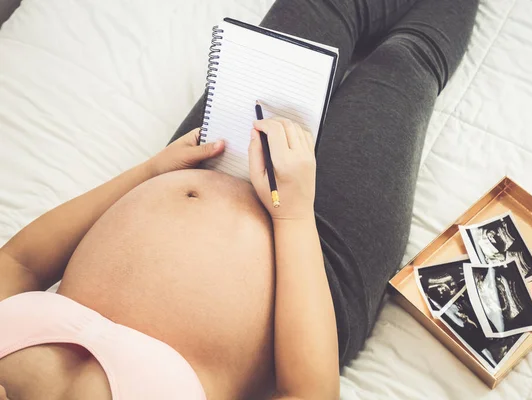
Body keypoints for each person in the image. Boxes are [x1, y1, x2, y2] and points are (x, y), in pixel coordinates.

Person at [0, 0, 478, 398]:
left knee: (316, 9)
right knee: (406, 62)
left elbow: (18, 262)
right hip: (314, 263)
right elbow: (307, 394)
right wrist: (292, 214)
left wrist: (148, 172)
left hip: (205, 157)